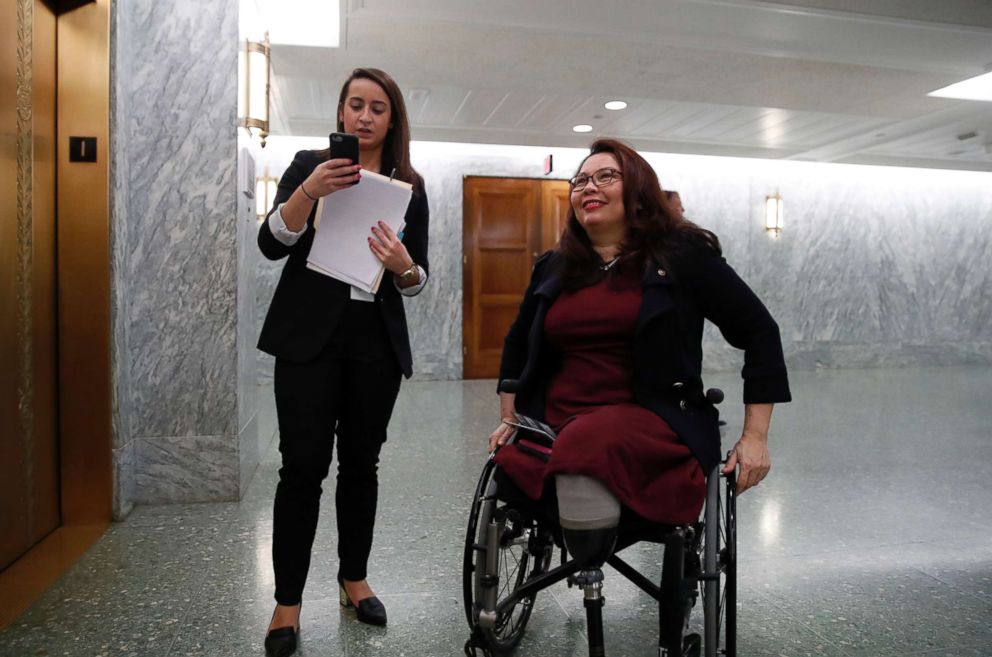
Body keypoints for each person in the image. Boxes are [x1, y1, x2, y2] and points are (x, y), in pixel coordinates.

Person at [488, 139, 790, 565]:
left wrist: (755, 436)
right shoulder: (554, 266)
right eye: (580, 180)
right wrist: (510, 414)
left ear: (638, 192)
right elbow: (519, 342)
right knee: (523, 456)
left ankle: (589, 548)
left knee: (586, 440)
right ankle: (584, 527)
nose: (588, 186)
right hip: (557, 416)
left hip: (654, 417)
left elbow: (760, 330)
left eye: (606, 176)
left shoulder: (682, 256)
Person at [257, 68, 429, 657]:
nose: (364, 116)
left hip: (374, 342)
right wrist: (309, 193)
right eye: (355, 104)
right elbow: (271, 243)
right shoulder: (309, 165)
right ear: (340, 113)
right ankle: (287, 601)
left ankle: (353, 578)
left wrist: (404, 263)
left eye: (377, 107)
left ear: (391, 119)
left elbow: (416, 279)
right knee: (300, 470)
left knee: (362, 465)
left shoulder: (410, 185)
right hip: (308, 339)